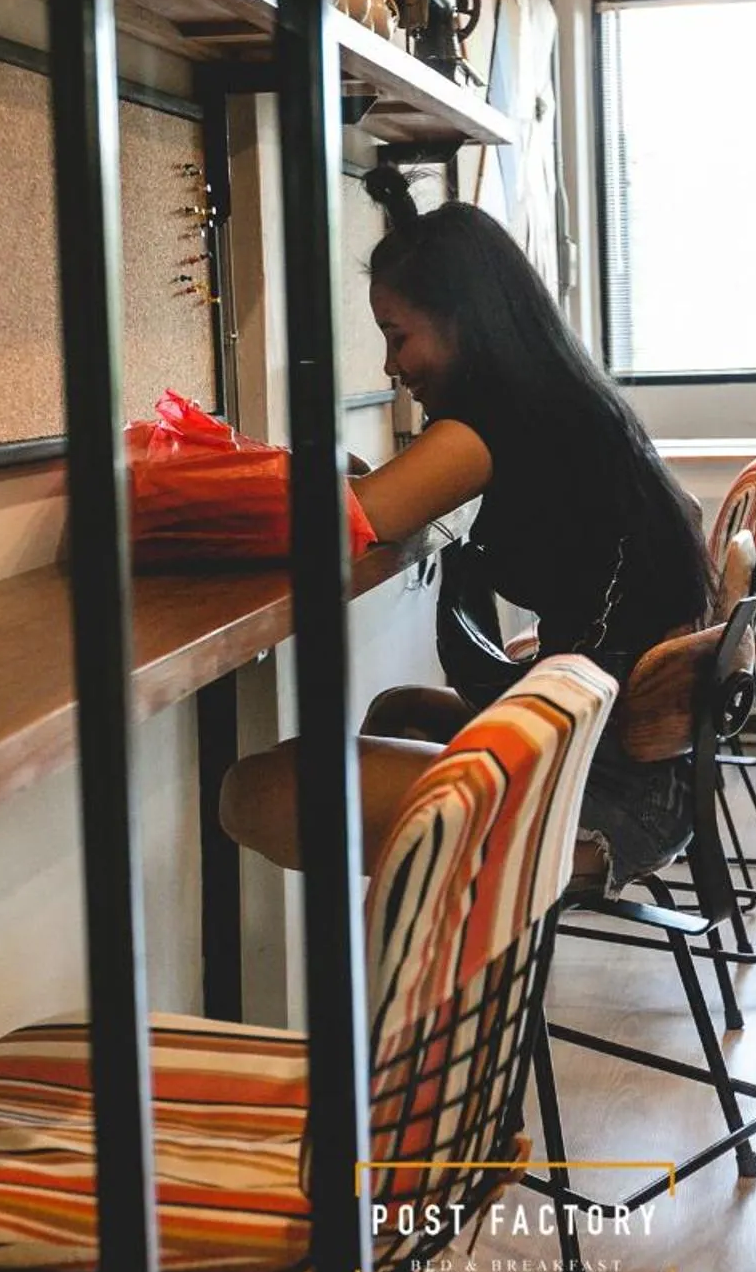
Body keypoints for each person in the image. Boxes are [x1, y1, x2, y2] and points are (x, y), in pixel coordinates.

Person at [219, 166, 712, 890]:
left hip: (605, 791)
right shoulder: (563, 399)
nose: (391, 367)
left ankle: (446, 972)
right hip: (641, 757)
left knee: (256, 793)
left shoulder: (490, 420)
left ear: (462, 322)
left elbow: (359, 519)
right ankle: (454, 957)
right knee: (396, 715)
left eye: (398, 336)